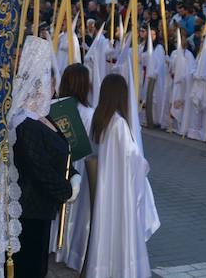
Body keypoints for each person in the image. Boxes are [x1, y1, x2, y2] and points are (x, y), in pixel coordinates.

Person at [11, 36, 79, 278]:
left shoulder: (44, 117)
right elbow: (39, 167)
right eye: (49, 85)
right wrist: (66, 189)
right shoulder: (24, 123)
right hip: (29, 211)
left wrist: (75, 175)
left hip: (41, 209)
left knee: (37, 266)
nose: (52, 90)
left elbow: (64, 150)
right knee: (28, 268)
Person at [85, 74, 159, 278]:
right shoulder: (119, 124)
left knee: (108, 230)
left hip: (109, 186)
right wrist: (144, 164)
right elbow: (133, 158)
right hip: (121, 190)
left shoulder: (103, 120)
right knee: (121, 230)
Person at [53, 63, 95, 272]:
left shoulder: (55, 105)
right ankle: (71, 250)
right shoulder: (89, 113)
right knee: (77, 211)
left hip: (58, 163)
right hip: (80, 167)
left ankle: (55, 243)